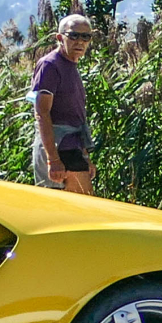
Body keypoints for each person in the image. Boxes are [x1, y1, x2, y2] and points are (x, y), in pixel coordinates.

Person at [32, 14, 97, 194]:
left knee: (81, 207)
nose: (80, 42)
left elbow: (75, 116)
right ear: (60, 38)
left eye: (86, 37)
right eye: (74, 35)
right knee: (81, 206)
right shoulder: (50, 66)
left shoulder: (71, 65)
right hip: (60, 147)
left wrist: (85, 156)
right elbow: (42, 114)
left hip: (73, 146)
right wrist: (52, 159)